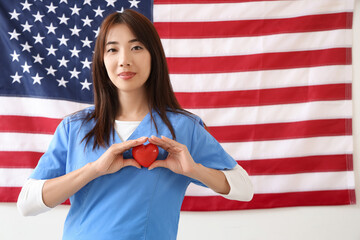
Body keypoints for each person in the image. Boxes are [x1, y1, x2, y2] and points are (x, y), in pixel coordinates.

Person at [17, 9, 253, 240]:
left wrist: (194, 170)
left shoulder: (183, 128)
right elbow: (27, 204)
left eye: (136, 47)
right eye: (112, 50)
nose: (124, 60)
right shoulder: (74, 127)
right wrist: (94, 170)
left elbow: (244, 189)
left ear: (154, 56)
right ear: (102, 60)